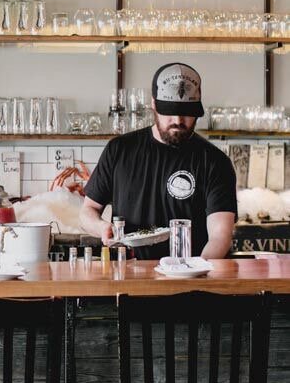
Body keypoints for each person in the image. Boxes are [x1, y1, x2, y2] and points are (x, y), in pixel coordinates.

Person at [79, 63, 237, 260]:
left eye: (187, 112)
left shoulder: (215, 161)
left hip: (190, 273)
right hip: (127, 271)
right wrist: (101, 227)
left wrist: (196, 269)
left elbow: (220, 236)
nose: (178, 120)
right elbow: (88, 211)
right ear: (153, 104)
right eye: (169, 111)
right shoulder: (119, 149)